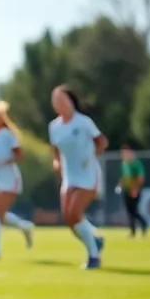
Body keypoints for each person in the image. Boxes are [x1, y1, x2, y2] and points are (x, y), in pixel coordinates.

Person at [48, 85, 108, 268]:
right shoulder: (54, 126)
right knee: (69, 218)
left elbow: (102, 142)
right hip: (69, 176)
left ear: (71, 100)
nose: (60, 103)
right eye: (56, 101)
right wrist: (57, 162)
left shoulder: (84, 122)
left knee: (75, 212)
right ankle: (94, 238)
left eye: (63, 99)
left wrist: (90, 156)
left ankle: (93, 257)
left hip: (88, 174)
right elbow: (56, 150)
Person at [0, 100, 34, 259]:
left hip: (8, 176)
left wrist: (3, 162)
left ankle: (24, 227)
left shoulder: (8, 134)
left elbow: (19, 155)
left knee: (0, 214)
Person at [118, 143, 147, 237]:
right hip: (127, 190)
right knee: (129, 211)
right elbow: (123, 177)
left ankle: (143, 224)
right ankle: (133, 231)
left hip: (135, 190)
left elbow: (140, 178)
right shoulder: (124, 164)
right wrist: (120, 186)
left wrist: (135, 189)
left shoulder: (136, 164)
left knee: (134, 211)